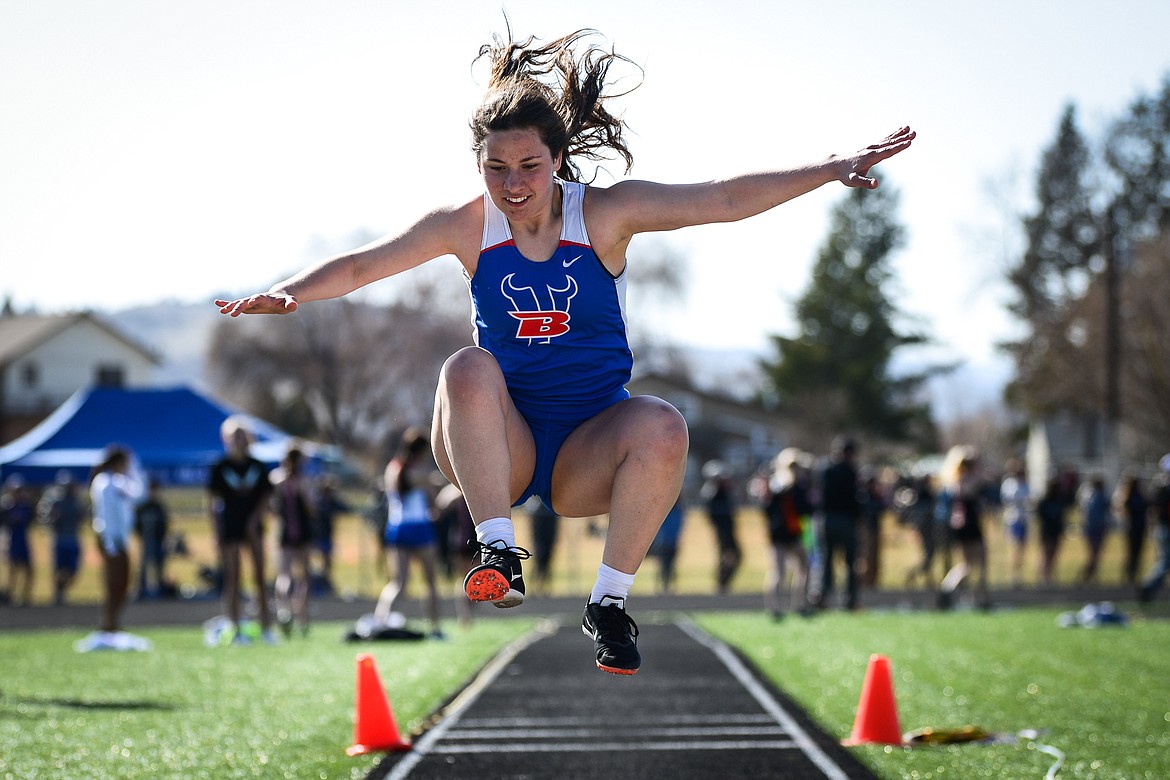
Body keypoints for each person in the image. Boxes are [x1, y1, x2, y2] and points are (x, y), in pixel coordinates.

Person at [215, 24, 915, 674]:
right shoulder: (466, 227)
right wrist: (289, 292)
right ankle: (496, 547)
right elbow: (366, 266)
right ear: (478, 165)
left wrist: (829, 168)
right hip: (498, 445)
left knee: (666, 424)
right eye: (495, 169)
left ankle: (608, 606)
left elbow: (724, 199)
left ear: (556, 159)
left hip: (585, 452)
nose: (513, 185)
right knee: (466, 365)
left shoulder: (605, 214)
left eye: (528, 166)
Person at [207, 416, 276, 645]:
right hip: (230, 528)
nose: (238, 440)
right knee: (232, 578)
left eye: (241, 435)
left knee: (259, 577)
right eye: (233, 436)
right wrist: (216, 530)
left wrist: (255, 519)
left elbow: (267, 496)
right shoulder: (220, 467)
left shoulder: (256, 466)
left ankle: (266, 627)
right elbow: (211, 501)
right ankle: (234, 627)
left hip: (254, 528)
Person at [375, 427, 445, 638]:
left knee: (398, 582)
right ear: (421, 451)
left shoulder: (393, 468)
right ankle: (435, 628)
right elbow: (434, 501)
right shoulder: (419, 472)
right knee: (430, 581)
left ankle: (379, 621)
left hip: (397, 528)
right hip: (419, 527)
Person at [89, 447, 145, 635]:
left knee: (123, 581)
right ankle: (108, 622)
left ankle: (114, 622)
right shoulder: (104, 482)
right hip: (110, 539)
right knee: (113, 581)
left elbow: (140, 494)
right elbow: (105, 515)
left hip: (120, 539)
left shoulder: (119, 481)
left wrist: (134, 468)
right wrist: (110, 543)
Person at [271, 445, 317, 637]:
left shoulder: (276, 479)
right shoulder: (303, 482)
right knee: (303, 577)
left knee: (284, 574)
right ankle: (301, 617)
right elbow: (311, 509)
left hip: (284, 531)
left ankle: (284, 610)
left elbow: (272, 507)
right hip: (301, 532)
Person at [763, 448, 812, 619]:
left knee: (801, 568)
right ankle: (779, 607)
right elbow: (804, 509)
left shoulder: (784, 485)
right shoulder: (782, 486)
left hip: (790, 533)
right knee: (781, 572)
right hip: (784, 534)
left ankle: (796, 604)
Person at [938, 449, 990, 609]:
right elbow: (970, 490)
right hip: (967, 525)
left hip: (970, 523)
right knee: (970, 563)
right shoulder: (963, 480)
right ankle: (947, 587)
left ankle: (975, 597)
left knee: (979, 561)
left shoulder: (963, 478)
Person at [815, 437, 863, 610]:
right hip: (844, 520)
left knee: (827, 560)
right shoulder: (849, 471)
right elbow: (854, 498)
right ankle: (849, 599)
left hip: (828, 519)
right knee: (848, 561)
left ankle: (824, 595)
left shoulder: (824, 469)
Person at [37, 470, 88, 605]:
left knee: (73, 570)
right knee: (59, 569)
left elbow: (83, 517)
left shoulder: (76, 500)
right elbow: (46, 519)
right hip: (60, 540)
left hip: (72, 539)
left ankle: (61, 590)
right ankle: (59, 595)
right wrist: (54, 518)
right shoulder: (55, 501)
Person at [700, 460, 741, 594]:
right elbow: (710, 512)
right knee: (728, 554)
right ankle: (721, 582)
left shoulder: (723, 491)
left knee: (733, 555)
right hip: (722, 529)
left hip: (728, 528)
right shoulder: (712, 491)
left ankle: (723, 583)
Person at [1138, 455, 1170, 603]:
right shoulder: (1164, 489)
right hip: (1166, 528)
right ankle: (1149, 585)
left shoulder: (1159, 487)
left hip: (1162, 528)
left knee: (1164, 560)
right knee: (1166, 561)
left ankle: (1150, 586)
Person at [1, 475, 36, 606]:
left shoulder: (25, 505)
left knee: (28, 569)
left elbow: (31, 520)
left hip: (23, 540)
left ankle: (25, 596)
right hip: (11, 541)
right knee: (13, 569)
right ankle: (9, 595)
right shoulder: (6, 506)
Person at [135, 478, 171, 600]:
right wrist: (140, 536)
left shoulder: (159, 507)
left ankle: (160, 587)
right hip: (146, 540)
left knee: (159, 565)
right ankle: (142, 589)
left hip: (158, 540)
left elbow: (165, 524)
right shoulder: (143, 507)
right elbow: (137, 524)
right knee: (144, 565)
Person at [312, 474, 349, 593]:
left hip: (326, 536)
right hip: (315, 536)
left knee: (327, 561)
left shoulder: (332, 502)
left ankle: (325, 581)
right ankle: (312, 582)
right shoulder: (318, 502)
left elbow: (344, 508)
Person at [999, 459, 1030, 588]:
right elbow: (1006, 500)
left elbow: (1030, 499)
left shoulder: (1025, 485)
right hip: (1013, 519)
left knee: (1022, 548)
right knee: (1015, 546)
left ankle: (1018, 574)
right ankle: (1013, 575)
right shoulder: (1009, 484)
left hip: (1024, 519)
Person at [1113, 471, 1149, 585]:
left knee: (1136, 553)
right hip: (1134, 528)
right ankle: (1129, 576)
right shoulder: (1130, 497)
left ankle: (1133, 575)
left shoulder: (1137, 495)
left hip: (1138, 527)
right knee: (1132, 553)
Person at [1077, 474, 1112, 584]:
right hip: (1093, 528)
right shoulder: (1093, 496)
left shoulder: (1095, 496)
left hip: (1096, 527)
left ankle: (1091, 575)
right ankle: (1087, 575)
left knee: (1095, 553)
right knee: (1093, 553)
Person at [648, 495, 685, 594]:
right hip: (663, 542)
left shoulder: (678, 511)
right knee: (663, 565)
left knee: (671, 566)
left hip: (673, 542)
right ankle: (662, 586)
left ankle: (669, 587)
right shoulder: (665, 511)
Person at [1036, 475, 1067, 585]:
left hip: (1055, 531)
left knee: (1054, 555)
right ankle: (1043, 577)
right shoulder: (1045, 501)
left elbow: (1061, 517)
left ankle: (1050, 576)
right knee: (1046, 554)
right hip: (1047, 531)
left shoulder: (1059, 501)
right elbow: (1040, 516)